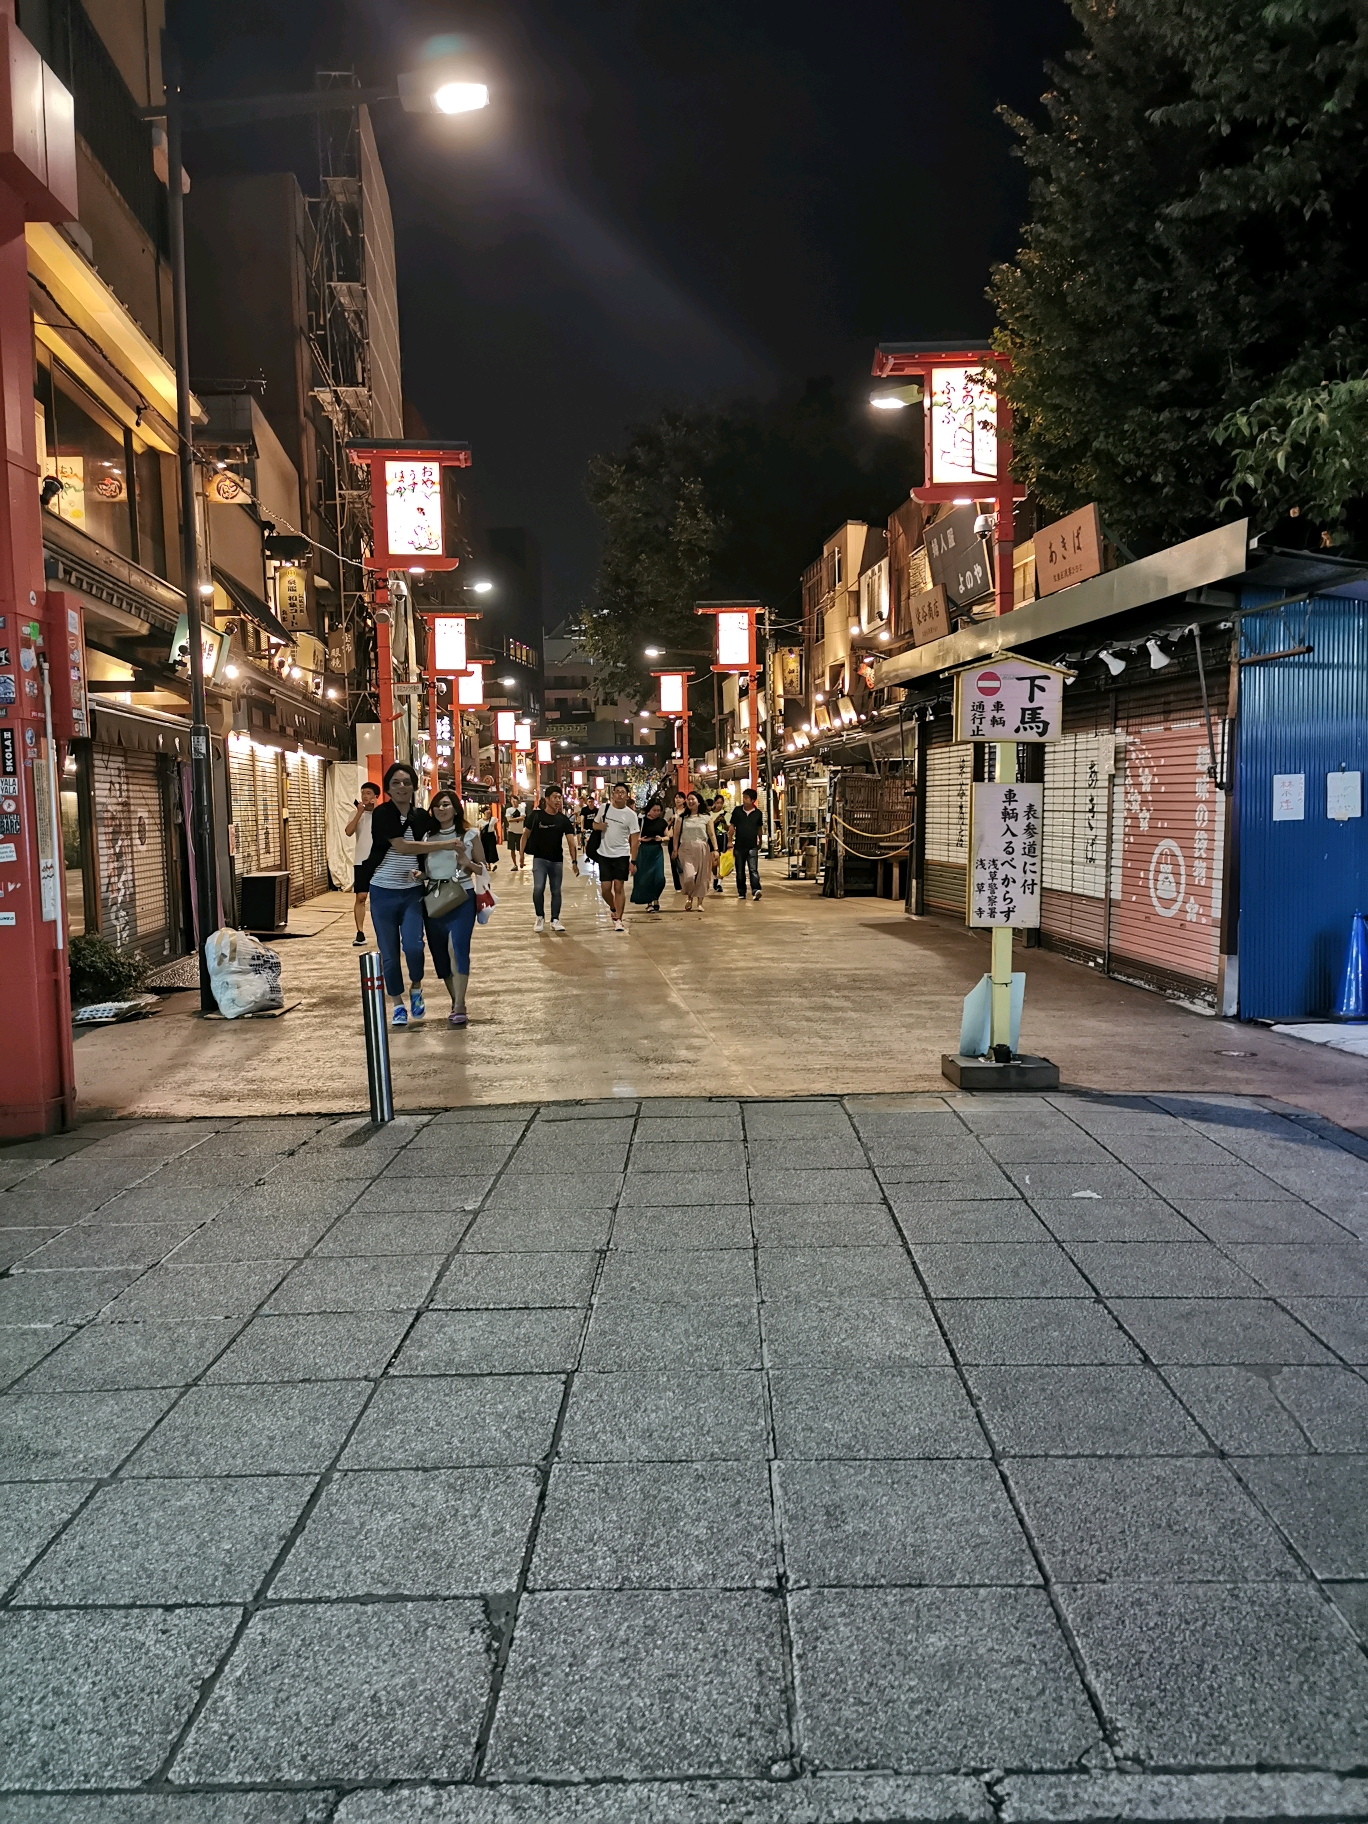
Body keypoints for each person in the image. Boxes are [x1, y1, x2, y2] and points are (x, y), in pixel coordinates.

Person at [365, 762, 444, 1028]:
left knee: (413, 946)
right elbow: (403, 846)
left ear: (414, 786)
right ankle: (397, 1004)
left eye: (406, 782)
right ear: (387, 788)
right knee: (389, 952)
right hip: (382, 891)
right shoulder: (382, 814)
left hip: (412, 893)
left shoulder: (421, 817)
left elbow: (440, 830)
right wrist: (449, 844)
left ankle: (417, 987)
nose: (401, 787)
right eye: (396, 783)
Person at [405, 788, 491, 1028]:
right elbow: (427, 870)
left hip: (462, 897)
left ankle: (460, 1004)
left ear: (455, 808)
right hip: (434, 899)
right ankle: (455, 1001)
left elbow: (484, 868)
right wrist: (418, 875)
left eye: (446, 804)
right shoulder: (427, 837)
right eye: (437, 805)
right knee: (440, 953)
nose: (441, 809)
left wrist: (467, 863)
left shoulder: (470, 834)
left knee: (457, 948)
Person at [520, 786, 579, 932]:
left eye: (560, 797)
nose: (558, 800)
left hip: (557, 861)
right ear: (547, 799)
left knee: (556, 891)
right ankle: (540, 917)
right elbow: (525, 835)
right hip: (539, 859)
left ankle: (555, 920)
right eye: (555, 797)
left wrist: (574, 861)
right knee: (538, 888)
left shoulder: (563, 820)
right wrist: (521, 855)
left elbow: (572, 842)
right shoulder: (536, 816)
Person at [594, 781, 640, 932]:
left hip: (621, 854)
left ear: (627, 796)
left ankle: (619, 919)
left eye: (623, 792)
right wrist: (599, 826)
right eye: (617, 791)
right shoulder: (604, 808)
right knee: (605, 888)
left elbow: (635, 840)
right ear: (612, 794)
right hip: (604, 853)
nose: (620, 794)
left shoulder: (631, 815)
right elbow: (594, 825)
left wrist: (633, 860)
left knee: (618, 887)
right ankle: (613, 908)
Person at [344, 779, 380, 946]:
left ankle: (384, 931)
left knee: (381, 898)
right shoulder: (356, 814)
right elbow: (348, 832)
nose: (365, 796)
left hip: (380, 860)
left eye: (368, 794)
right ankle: (360, 932)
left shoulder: (382, 814)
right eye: (363, 793)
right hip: (361, 860)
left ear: (376, 797)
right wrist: (359, 813)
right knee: (361, 896)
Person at [673, 789, 718, 913]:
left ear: (699, 802)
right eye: (689, 799)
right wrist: (675, 849)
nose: (691, 801)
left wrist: (716, 849)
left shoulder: (706, 817)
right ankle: (689, 896)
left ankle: (699, 902)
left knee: (703, 877)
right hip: (686, 849)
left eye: (693, 799)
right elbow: (676, 835)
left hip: (703, 849)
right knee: (689, 876)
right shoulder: (681, 818)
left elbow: (711, 834)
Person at [631, 796, 670, 912]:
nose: (657, 813)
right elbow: (634, 837)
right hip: (644, 851)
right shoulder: (641, 821)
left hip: (656, 851)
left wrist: (661, 839)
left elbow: (667, 836)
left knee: (659, 878)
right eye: (654, 810)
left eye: (659, 810)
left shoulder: (662, 822)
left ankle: (655, 897)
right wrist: (641, 840)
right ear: (649, 809)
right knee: (646, 878)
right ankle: (650, 902)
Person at [730, 787, 765, 900]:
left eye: (746, 798)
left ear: (752, 800)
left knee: (753, 869)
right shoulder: (737, 811)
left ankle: (756, 890)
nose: (744, 800)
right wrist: (730, 841)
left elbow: (759, 828)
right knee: (740, 870)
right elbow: (732, 827)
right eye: (743, 797)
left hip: (752, 845)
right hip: (739, 845)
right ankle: (741, 891)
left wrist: (760, 840)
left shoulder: (758, 813)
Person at [710, 794, 729, 894]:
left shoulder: (726, 814)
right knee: (714, 862)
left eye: (721, 803)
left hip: (723, 838)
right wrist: (715, 821)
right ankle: (715, 877)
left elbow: (728, 828)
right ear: (714, 803)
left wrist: (724, 822)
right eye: (717, 803)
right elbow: (708, 828)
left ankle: (719, 883)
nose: (719, 805)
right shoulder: (709, 814)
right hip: (713, 840)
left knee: (722, 861)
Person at [504, 797, 527, 870]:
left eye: (515, 800)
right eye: (512, 801)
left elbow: (523, 818)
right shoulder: (508, 810)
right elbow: (508, 820)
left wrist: (512, 819)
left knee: (521, 849)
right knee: (512, 849)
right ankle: (514, 864)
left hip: (520, 832)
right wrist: (518, 818)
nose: (514, 802)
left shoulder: (522, 808)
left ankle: (521, 861)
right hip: (511, 831)